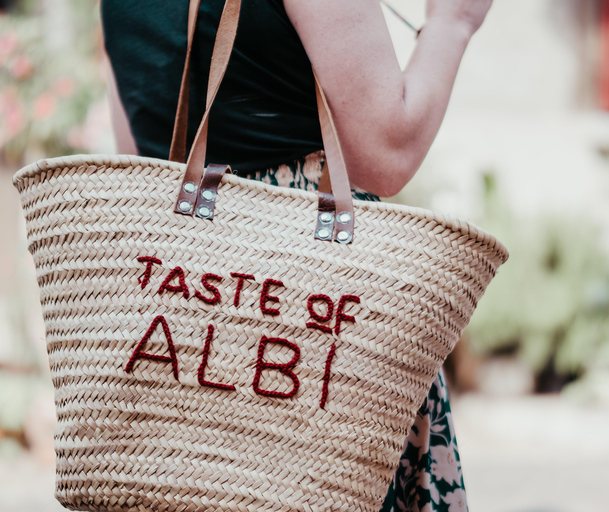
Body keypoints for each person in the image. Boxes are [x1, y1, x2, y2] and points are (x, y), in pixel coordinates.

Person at [101, 0, 493, 510]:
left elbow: (141, 154)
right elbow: (385, 154)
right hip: (314, 299)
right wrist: (452, 22)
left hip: (185, 321)